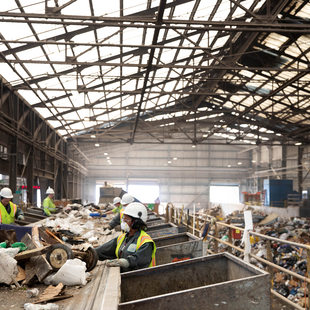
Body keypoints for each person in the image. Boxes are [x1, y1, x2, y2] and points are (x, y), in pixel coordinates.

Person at [95, 202, 156, 272]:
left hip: (140, 279)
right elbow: (104, 250)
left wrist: (125, 262)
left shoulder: (145, 242)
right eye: (123, 218)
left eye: (126, 219)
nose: (123, 222)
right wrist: (92, 252)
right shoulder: (123, 238)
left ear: (136, 223)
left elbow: (139, 260)